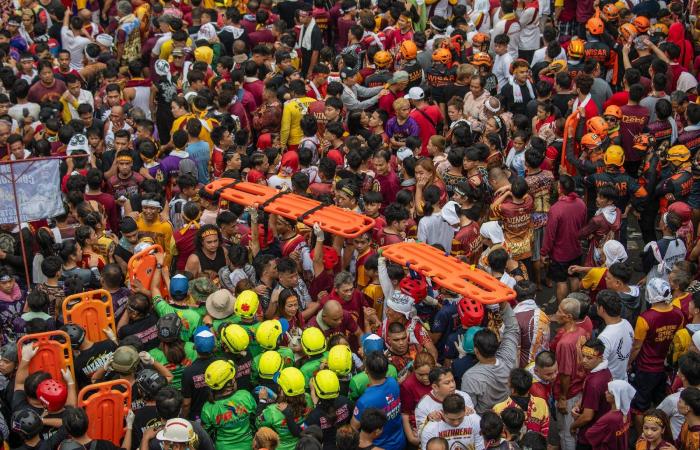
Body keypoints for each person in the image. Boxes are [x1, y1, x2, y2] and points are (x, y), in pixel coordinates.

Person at [350, 352, 405, 450]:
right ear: (387, 369)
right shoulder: (393, 383)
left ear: (366, 370)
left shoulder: (364, 401)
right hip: (400, 442)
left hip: (380, 446)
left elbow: (354, 427)